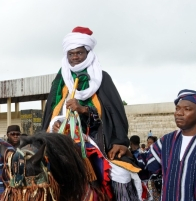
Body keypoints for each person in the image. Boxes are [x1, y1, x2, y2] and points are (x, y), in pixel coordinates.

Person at [41, 26, 131, 162]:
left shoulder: (102, 78)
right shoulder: (60, 80)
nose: (75, 57)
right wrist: (56, 124)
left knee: (121, 173)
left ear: (88, 53)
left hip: (94, 141)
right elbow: (51, 112)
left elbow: (114, 112)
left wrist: (82, 109)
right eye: (71, 54)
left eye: (79, 53)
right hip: (62, 140)